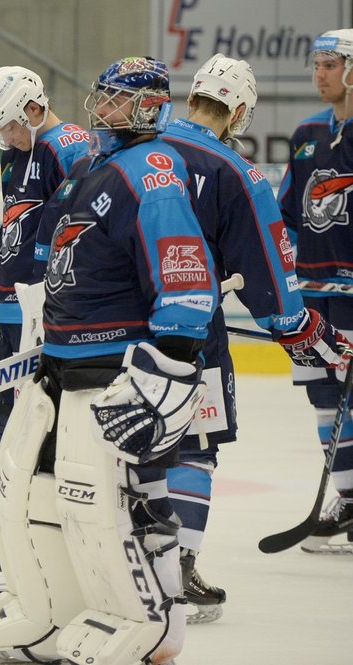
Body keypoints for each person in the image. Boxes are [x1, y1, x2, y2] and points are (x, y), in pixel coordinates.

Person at [0, 56, 216, 665]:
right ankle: (54, 611)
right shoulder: (91, 167)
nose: (98, 108)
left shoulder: (152, 169)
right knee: (35, 496)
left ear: (150, 106)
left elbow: (182, 270)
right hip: (65, 359)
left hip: (113, 364)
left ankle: (150, 623)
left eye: (114, 100)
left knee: (105, 497)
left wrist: (174, 359)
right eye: (100, 95)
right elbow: (51, 262)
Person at [161, 53, 350, 623]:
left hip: (110, 327)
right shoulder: (234, 171)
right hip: (193, 332)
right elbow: (270, 275)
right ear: (239, 110)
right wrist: (305, 329)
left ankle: (121, 563)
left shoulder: (129, 147)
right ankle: (176, 570)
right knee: (193, 446)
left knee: (124, 444)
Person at [0, 66, 89, 594]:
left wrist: (53, 300)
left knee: (45, 421)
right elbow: (19, 228)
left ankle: (39, 533)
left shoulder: (70, 147)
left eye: (8, 125)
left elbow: (75, 232)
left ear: (35, 109)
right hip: (16, 307)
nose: (4, 139)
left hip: (51, 310)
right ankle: (4, 518)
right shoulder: (16, 152)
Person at [278, 28, 353, 555]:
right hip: (313, 293)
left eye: (330, 64)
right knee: (325, 396)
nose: (319, 73)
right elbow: (285, 214)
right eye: (316, 64)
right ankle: (349, 498)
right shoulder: (307, 132)